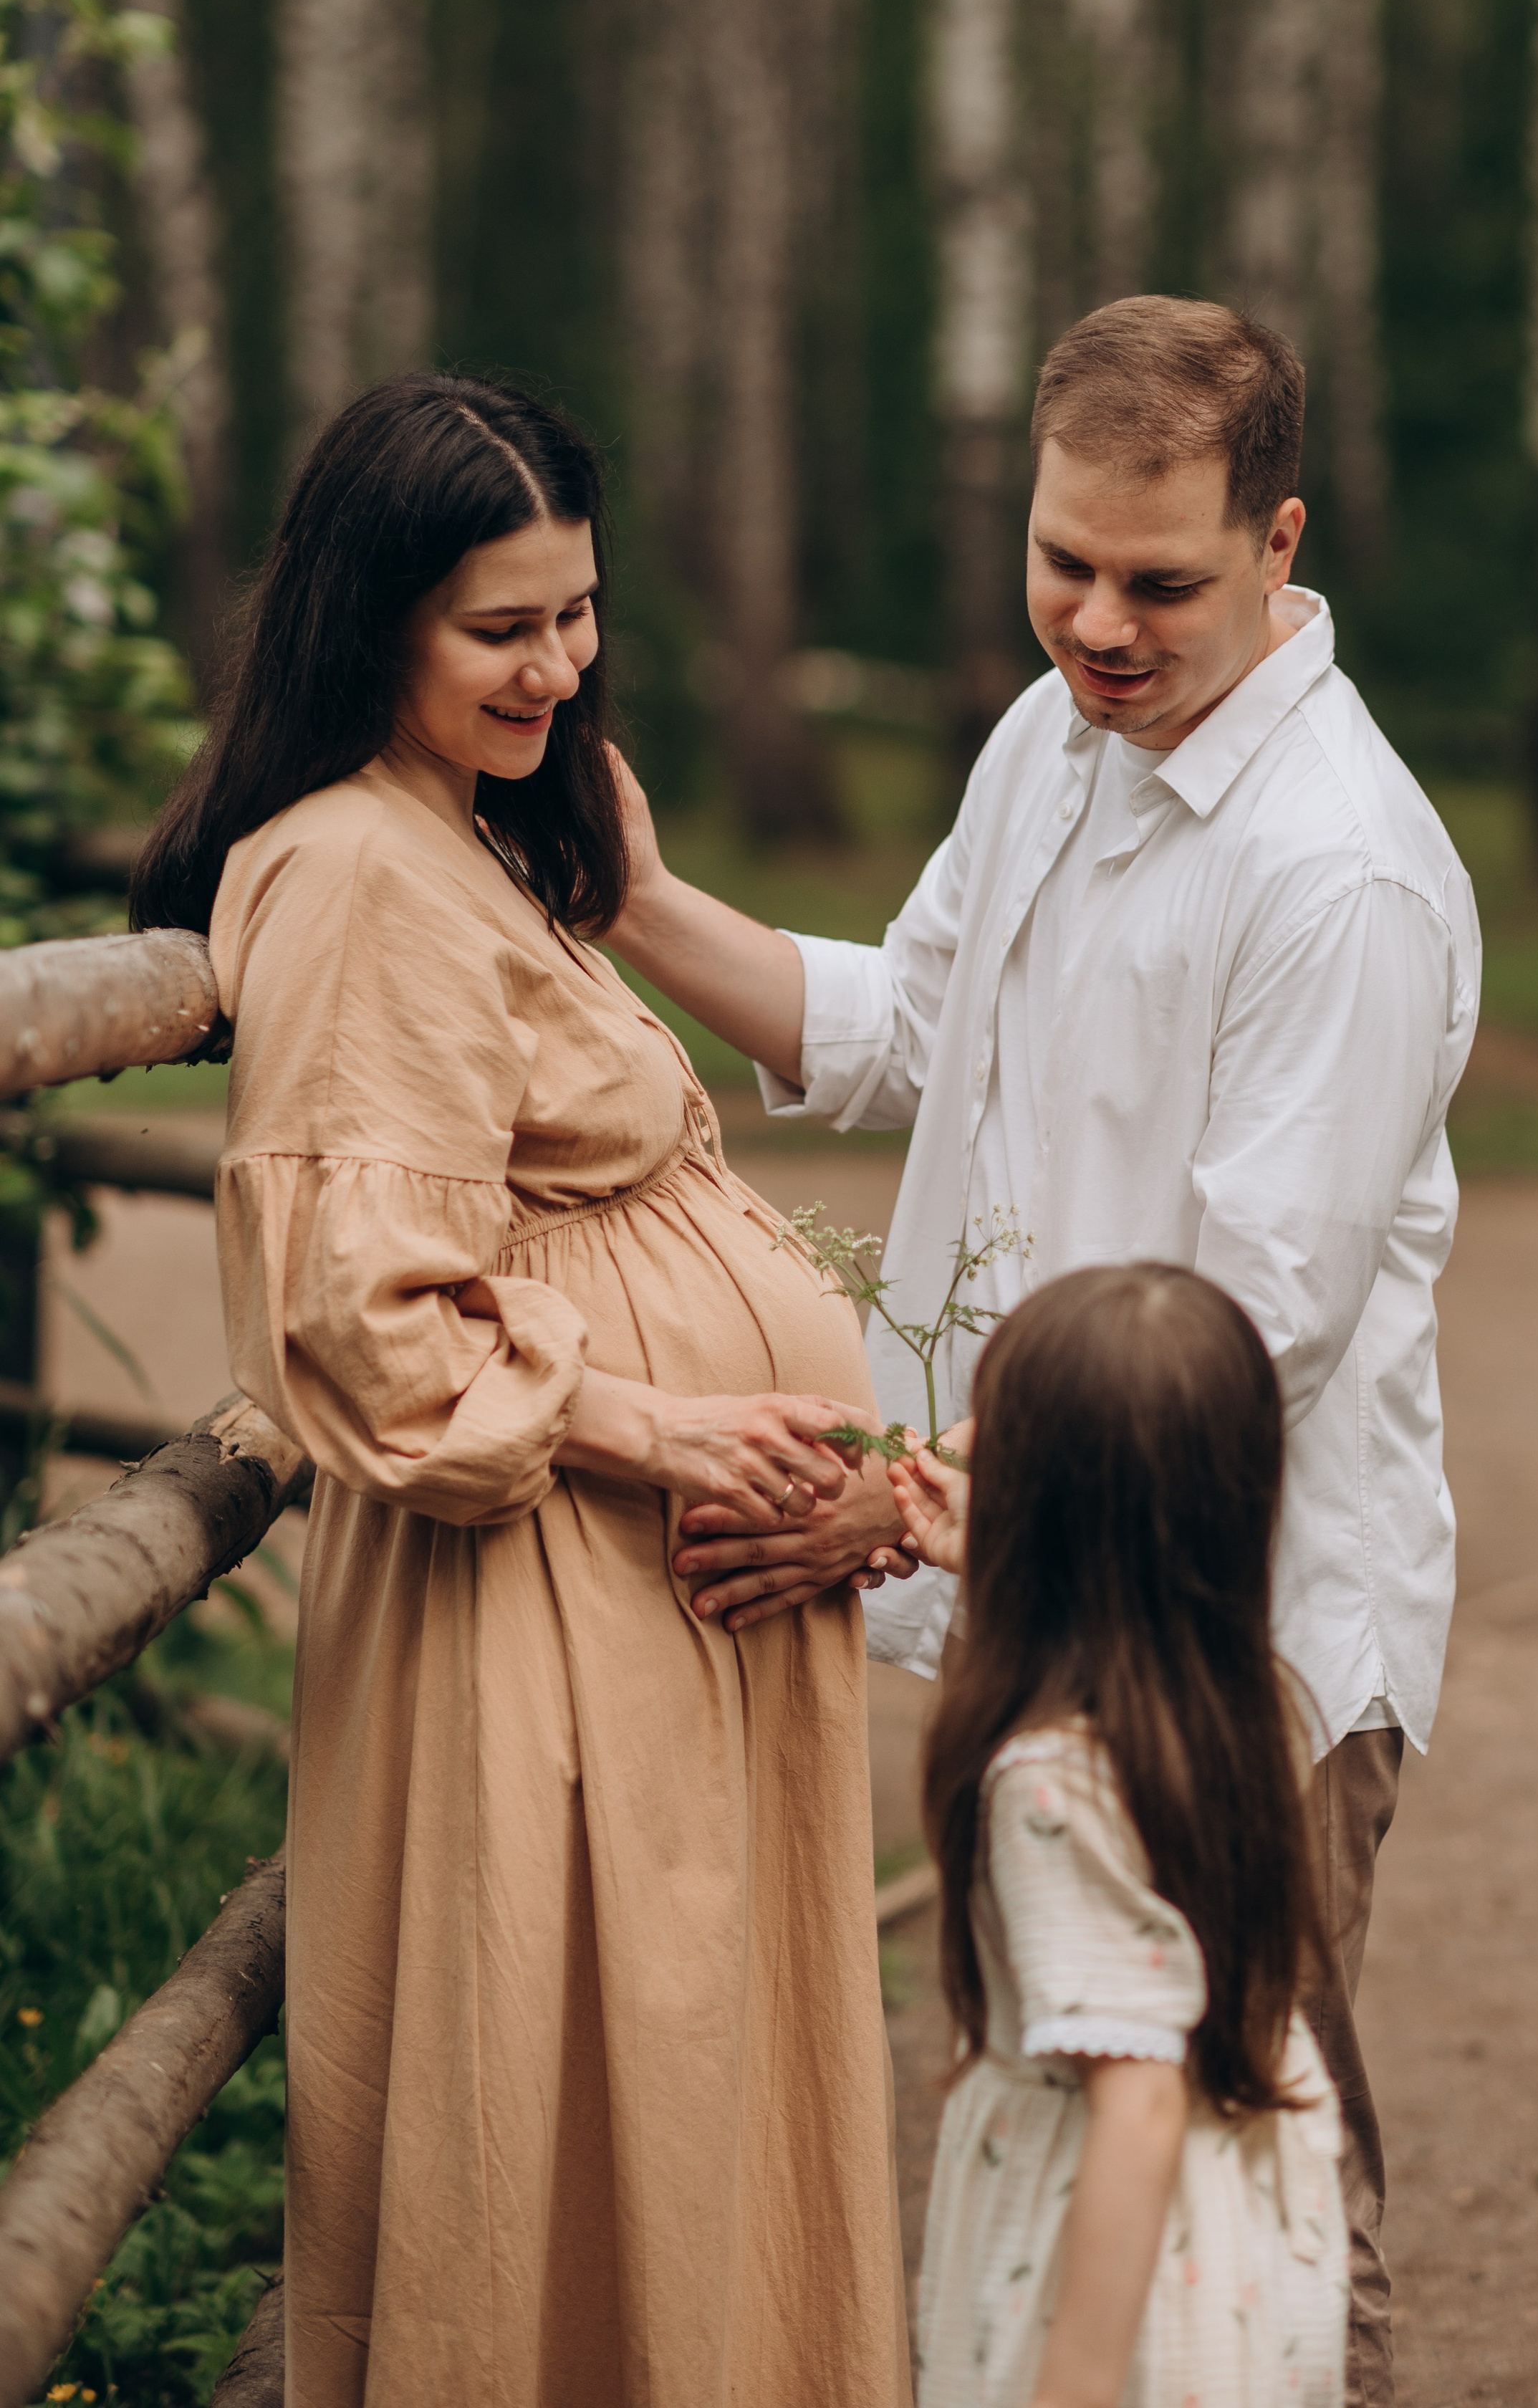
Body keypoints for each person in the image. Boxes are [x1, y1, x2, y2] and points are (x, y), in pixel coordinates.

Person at [605, 294, 1481, 2405]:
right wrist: (621, 893)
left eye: (1157, 581)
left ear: (1278, 543)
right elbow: (907, 1019)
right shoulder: (1054, 736)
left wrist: (891, 1514)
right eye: (1059, 561)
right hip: (1023, 1573)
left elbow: (1245, 1351)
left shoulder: (1340, 879)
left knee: (1250, 2159)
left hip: (1228, 1627)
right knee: (1069, 2100)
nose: (1094, 621)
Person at [129, 375, 910, 2408]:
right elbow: (363, 1317)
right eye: (504, 626)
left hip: (640, 1605)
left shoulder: (466, 844)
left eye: (577, 612)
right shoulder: (356, 874)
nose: (560, 663)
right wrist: (664, 1426)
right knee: (577, 2120)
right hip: (546, 1610)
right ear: (373, 615)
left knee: (676, 2103)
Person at [889, 1262, 1350, 2408]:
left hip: (1112, 2268)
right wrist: (989, 1570)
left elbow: (1134, 2101)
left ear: (1048, 1513)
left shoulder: (1049, 1782)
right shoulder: (1242, 1701)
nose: (961, 1452)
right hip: (1237, 2234)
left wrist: (1076, 2385)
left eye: (993, 1445)